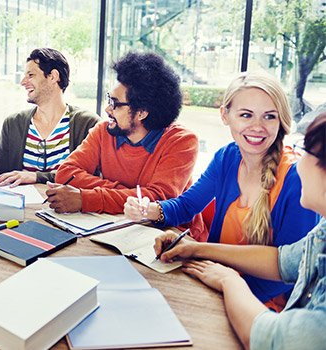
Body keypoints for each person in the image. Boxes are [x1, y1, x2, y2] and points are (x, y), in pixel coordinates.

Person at [125, 72, 319, 311]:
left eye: (269, 116)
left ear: (281, 121)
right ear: (225, 115)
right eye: (246, 115)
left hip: (263, 306)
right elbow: (187, 206)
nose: (257, 127)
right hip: (217, 284)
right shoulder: (227, 157)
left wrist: (223, 290)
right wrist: (152, 210)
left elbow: (287, 271)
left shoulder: (297, 179)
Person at [153, 113, 326, 349]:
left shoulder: (290, 176)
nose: (300, 160)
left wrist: (229, 281)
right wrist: (195, 248)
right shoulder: (324, 232)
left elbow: (272, 339)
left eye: (305, 150)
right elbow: (281, 260)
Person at [47, 52, 202, 228]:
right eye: (108, 100)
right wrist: (129, 194)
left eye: (115, 103)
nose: (107, 109)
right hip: (115, 225)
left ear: (142, 112)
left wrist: (87, 198)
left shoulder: (181, 142)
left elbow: (158, 200)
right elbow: (66, 172)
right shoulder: (103, 131)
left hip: (171, 234)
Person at [0, 48, 98, 186]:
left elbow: (87, 178)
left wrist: (37, 177)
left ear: (53, 76)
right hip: (22, 206)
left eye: (30, 75)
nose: (23, 82)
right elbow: (0, 179)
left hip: (69, 207)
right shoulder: (12, 124)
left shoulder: (87, 123)